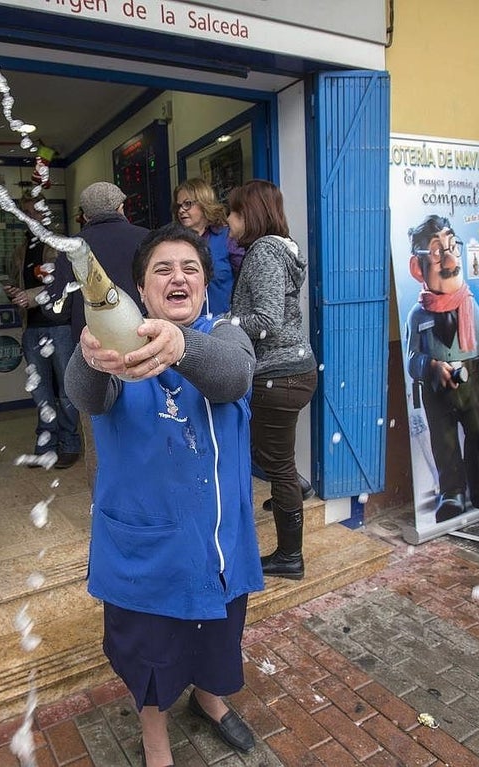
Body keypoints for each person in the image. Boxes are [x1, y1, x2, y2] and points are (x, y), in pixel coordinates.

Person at [65, 223, 262, 767]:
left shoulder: (226, 336)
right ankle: (156, 742)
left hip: (217, 541)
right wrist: (89, 355)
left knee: (217, 635)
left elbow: (232, 379)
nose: (179, 277)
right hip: (145, 545)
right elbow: (85, 397)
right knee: (151, 653)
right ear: (141, 290)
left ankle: (210, 699)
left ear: (204, 285)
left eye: (190, 268)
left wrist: (180, 345)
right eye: (162, 269)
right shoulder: (114, 348)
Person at [225, 180, 317, 581]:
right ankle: (295, 487)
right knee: (267, 454)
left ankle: (289, 557)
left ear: (251, 214)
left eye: (234, 212)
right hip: (294, 370)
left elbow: (266, 320)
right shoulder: (282, 248)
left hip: (277, 375)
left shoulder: (263, 252)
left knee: (275, 465)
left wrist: (223, 323)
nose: (228, 220)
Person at [48, 181, 149, 487]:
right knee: (148, 429)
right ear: (122, 207)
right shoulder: (148, 239)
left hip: (94, 358)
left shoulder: (72, 249)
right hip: (143, 350)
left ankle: (103, 504)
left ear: (84, 215)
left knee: (99, 438)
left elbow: (57, 307)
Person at [405, 215, 479, 524]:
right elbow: (411, 358)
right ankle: (452, 491)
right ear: (417, 267)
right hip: (437, 390)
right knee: (444, 441)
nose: (448, 259)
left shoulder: (470, 305)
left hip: (471, 381)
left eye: (451, 247)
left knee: (478, 433)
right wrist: (430, 366)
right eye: (436, 252)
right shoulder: (417, 316)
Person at [4, 195, 82, 469]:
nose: (29, 216)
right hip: (31, 329)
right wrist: (14, 292)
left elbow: (70, 283)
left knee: (66, 390)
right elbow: (18, 284)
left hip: (59, 327)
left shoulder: (60, 245)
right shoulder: (19, 250)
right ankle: (46, 445)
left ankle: (70, 445)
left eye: (33, 211)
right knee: (40, 392)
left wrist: (32, 296)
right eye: (24, 212)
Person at [172, 178, 242, 316]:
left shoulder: (227, 237)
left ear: (204, 203)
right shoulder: (173, 242)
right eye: (178, 206)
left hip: (223, 325)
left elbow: (246, 278)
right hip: (187, 327)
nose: (181, 210)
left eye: (187, 204)